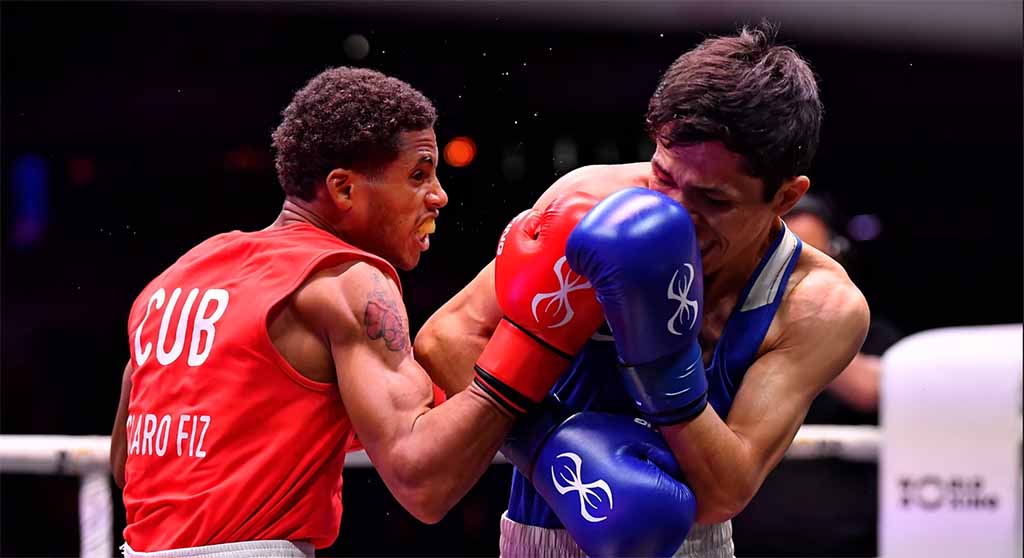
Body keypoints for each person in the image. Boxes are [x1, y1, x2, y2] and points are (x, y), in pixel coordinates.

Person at [108, 67, 609, 557]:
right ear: (344, 189)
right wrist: (530, 346)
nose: (439, 195)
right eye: (418, 175)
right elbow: (423, 483)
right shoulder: (348, 279)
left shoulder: (178, 276)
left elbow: (127, 464)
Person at [415, 24, 870, 558]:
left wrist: (660, 358)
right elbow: (447, 338)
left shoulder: (817, 305)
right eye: (664, 177)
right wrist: (550, 450)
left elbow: (725, 491)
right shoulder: (590, 204)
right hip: (539, 539)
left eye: (713, 201)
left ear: (786, 199)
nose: (673, 212)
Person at [731, 194, 904, 557]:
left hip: (841, 540)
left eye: (806, 257)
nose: (792, 273)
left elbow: (869, 390)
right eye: (781, 260)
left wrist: (801, 325)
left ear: (834, 258)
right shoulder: (729, 328)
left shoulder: (870, 331)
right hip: (743, 536)